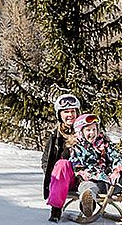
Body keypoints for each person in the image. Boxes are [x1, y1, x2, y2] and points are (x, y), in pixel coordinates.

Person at [42, 92, 82, 221]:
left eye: (72, 111)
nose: (70, 115)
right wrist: (53, 175)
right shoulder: (55, 137)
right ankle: (56, 209)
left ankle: (88, 204)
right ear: (60, 115)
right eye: (66, 112)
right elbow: (46, 160)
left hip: (87, 176)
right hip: (66, 178)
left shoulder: (87, 130)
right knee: (62, 164)